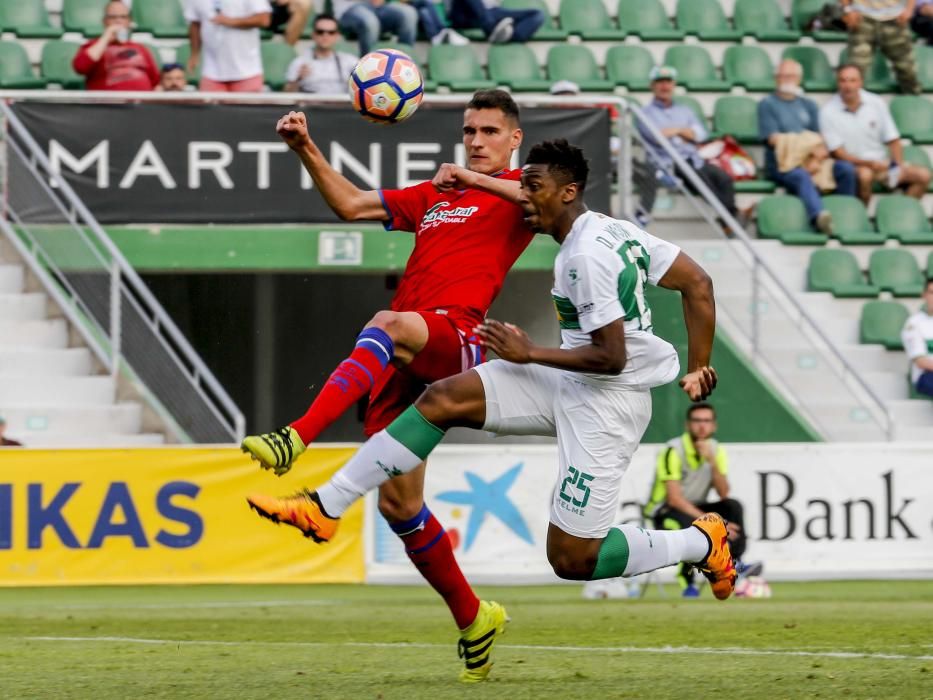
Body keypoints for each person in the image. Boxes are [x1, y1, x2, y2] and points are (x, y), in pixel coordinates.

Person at [246, 139, 736, 678]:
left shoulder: (586, 258)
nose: (523, 198)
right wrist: (699, 364)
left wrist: (530, 352)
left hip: (608, 401)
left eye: (534, 187)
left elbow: (612, 357)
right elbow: (698, 282)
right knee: (441, 399)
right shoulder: (611, 230)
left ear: (568, 192)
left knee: (573, 559)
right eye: (522, 184)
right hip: (567, 377)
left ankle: (698, 539)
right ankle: (325, 504)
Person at [241, 89, 535, 683]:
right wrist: (305, 148)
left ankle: (296, 438)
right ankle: (475, 618)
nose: (475, 141)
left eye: (488, 132)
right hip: (408, 352)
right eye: (469, 130)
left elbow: (545, 202)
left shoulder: (519, 191)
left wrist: (476, 182)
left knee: (385, 323)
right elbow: (351, 206)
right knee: (400, 505)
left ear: (513, 139)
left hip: (458, 336)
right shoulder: (435, 196)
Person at [644, 403, 758, 598]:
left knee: (732, 506)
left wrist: (712, 461)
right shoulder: (673, 450)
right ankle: (688, 583)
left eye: (706, 421)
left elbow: (723, 493)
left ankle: (734, 563)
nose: (702, 426)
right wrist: (716, 525)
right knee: (692, 526)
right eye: (697, 421)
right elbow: (674, 499)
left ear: (714, 426)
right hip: (664, 510)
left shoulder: (715, 450)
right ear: (688, 425)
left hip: (696, 506)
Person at [758, 59, 857, 235]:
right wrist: (806, 144)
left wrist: (814, 159)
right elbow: (774, 140)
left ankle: (845, 217)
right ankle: (819, 216)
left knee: (846, 170)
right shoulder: (767, 104)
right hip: (783, 165)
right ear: (775, 78)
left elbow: (819, 139)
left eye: (790, 76)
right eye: (782, 76)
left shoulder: (809, 105)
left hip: (812, 159)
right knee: (801, 175)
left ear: (799, 79)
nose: (786, 79)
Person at [820, 64, 931, 204]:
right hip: (855, 166)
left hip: (881, 164)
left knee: (923, 175)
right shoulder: (827, 112)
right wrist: (869, 163)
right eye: (843, 80)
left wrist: (897, 166)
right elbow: (839, 153)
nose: (848, 85)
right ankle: (861, 217)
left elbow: (894, 140)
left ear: (861, 82)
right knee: (865, 176)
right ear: (838, 83)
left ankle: (900, 211)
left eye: (852, 80)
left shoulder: (876, 102)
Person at [638, 66, 738, 220]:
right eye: (660, 82)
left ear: (673, 84)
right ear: (652, 85)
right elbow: (656, 138)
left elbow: (700, 135)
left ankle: (728, 219)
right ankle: (732, 218)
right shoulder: (644, 113)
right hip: (668, 163)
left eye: (668, 82)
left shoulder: (685, 110)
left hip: (694, 159)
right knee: (700, 180)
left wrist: (673, 131)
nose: (665, 86)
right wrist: (683, 131)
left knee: (724, 178)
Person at [184, 0, 271, 92]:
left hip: (247, 72)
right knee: (209, 106)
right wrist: (194, 54)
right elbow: (195, 24)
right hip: (211, 72)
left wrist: (230, 21)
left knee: (247, 106)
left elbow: (264, 19)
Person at [72, 1, 160, 91]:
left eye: (123, 17)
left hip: (141, 102)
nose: (118, 21)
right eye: (113, 17)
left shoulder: (141, 48)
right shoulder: (94, 45)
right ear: (105, 21)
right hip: (109, 103)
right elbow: (80, 67)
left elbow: (156, 82)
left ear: (129, 21)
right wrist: (106, 37)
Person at [841, 0, 921, 95]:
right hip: (862, 18)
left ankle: (913, 105)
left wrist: (909, 10)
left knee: (907, 71)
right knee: (856, 70)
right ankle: (852, 108)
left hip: (895, 18)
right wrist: (848, 9)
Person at [284, 13, 358, 93]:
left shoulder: (350, 62)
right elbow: (287, 94)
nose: (325, 35)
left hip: (341, 104)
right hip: (310, 104)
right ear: (313, 35)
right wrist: (298, 80)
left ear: (337, 36)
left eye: (331, 32)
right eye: (320, 32)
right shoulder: (300, 63)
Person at [333, 0, 418, 56]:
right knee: (370, 21)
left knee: (409, 13)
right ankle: (368, 67)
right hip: (349, 8)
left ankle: (404, 60)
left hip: (378, 7)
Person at [446, 0, 545, 44]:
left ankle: (510, 37)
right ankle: (491, 29)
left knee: (537, 14)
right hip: (464, 14)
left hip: (492, 12)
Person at [902, 279, 933, 398]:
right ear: (924, 295)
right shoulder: (914, 323)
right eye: (932, 293)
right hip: (926, 375)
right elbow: (921, 362)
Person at [402, 0, 470, 45]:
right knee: (426, 2)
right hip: (405, 9)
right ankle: (442, 30)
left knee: (424, 11)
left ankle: (435, 36)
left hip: (417, 12)